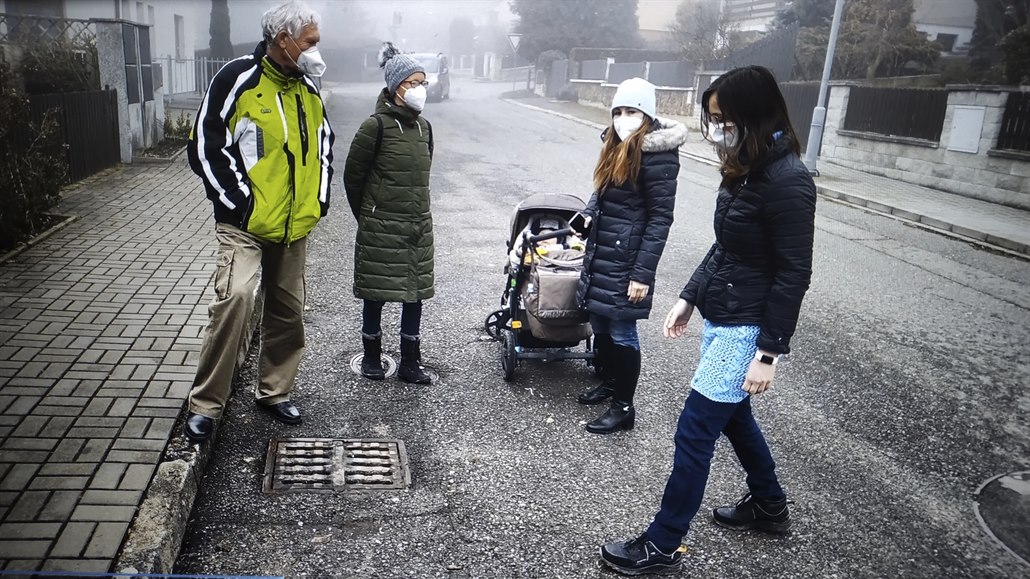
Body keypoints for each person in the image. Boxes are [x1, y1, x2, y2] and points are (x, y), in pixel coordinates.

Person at [598, 65, 817, 575]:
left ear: (753, 116)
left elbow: (793, 275)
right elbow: (728, 246)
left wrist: (768, 353)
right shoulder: (747, 168)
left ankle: (663, 541)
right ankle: (769, 505)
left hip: (748, 328)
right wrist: (690, 295)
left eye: (724, 119)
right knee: (734, 416)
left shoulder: (789, 183)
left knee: (696, 430)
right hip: (725, 313)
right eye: (712, 118)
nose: (717, 128)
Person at [182, 0, 334, 442]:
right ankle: (207, 403)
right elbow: (206, 146)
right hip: (243, 225)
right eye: (309, 42)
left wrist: (318, 201)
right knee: (237, 299)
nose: (314, 51)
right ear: (282, 39)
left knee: (288, 312)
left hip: (294, 227)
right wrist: (241, 203)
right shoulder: (237, 79)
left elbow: (324, 144)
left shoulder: (307, 88)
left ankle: (274, 391)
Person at [573, 77, 688, 434]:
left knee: (622, 330)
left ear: (647, 115)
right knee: (602, 322)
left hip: (627, 260)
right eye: (618, 111)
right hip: (603, 251)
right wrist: (588, 214)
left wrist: (642, 274)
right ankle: (610, 384)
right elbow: (602, 191)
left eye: (632, 111)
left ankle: (624, 407)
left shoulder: (659, 156)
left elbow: (660, 220)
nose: (623, 118)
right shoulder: (614, 143)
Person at [344, 42, 435, 385]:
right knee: (376, 294)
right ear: (397, 86)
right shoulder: (375, 127)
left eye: (423, 84)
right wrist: (368, 216)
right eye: (414, 83)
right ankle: (371, 357)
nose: (420, 91)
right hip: (381, 226)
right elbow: (353, 177)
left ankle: (411, 363)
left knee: (414, 295)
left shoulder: (424, 129)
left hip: (417, 228)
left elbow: (421, 177)